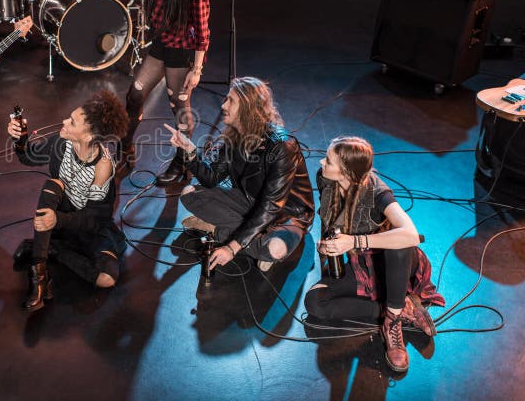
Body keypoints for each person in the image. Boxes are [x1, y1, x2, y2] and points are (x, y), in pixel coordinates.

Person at [304, 136, 445, 373]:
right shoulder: (326, 179)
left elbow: (410, 234)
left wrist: (355, 241)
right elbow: (328, 219)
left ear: (347, 172)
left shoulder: (378, 192)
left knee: (399, 246)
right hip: (362, 267)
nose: (321, 162)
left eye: (328, 160)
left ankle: (393, 320)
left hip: (395, 266)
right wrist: (328, 250)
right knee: (315, 303)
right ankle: (401, 308)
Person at [166, 77, 315, 273]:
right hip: (251, 204)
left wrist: (231, 247)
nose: (223, 105)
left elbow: (272, 204)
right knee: (189, 192)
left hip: (286, 215)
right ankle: (249, 240)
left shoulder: (282, 145)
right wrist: (190, 153)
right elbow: (211, 179)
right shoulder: (233, 137)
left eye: (230, 100)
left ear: (247, 107)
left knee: (276, 249)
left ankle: (225, 232)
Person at [118, 0, 214, 185]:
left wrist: (197, 70)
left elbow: (203, 28)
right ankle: (125, 149)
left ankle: (181, 162)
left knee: (180, 108)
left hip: (182, 50)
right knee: (135, 95)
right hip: (161, 42)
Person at [8, 90, 130, 311]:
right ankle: (39, 274)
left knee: (107, 279)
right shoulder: (61, 142)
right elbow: (28, 156)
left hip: (85, 226)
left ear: (89, 136)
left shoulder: (103, 166)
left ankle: (51, 248)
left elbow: (95, 219)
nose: (64, 121)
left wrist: (58, 220)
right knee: (53, 186)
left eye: (72, 122)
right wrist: (19, 137)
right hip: (59, 215)